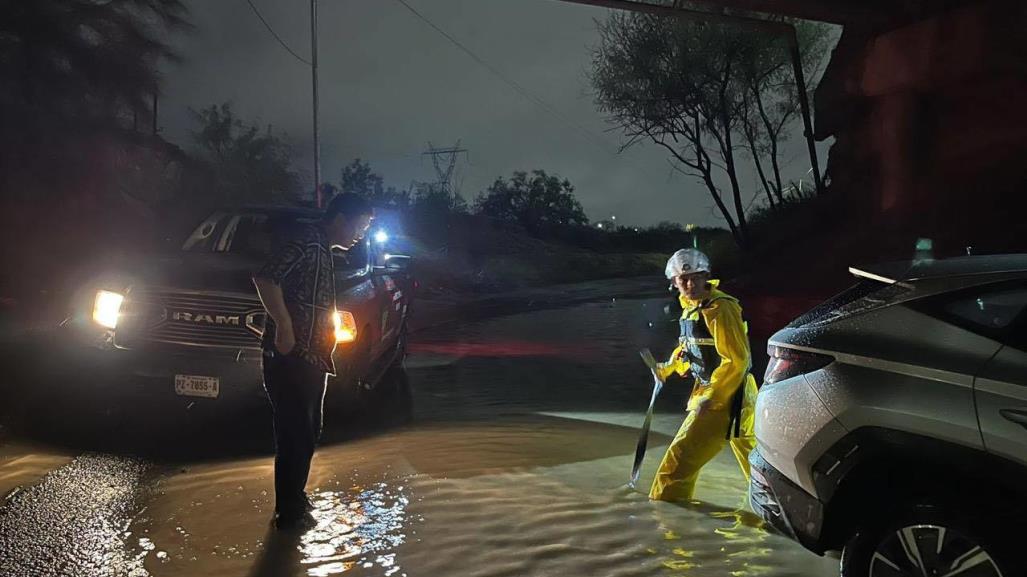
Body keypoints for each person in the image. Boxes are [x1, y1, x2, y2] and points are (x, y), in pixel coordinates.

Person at [252, 194, 373, 529]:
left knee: (306, 431)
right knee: (295, 433)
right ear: (340, 219)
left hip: (313, 357)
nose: (360, 235)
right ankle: (288, 514)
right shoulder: (307, 242)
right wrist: (284, 326)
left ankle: (294, 498)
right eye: (360, 226)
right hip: (294, 356)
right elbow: (265, 278)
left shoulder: (322, 247)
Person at [646, 248, 758, 504]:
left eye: (695, 277)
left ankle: (665, 522)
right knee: (758, 468)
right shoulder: (692, 309)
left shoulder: (721, 308)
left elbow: (736, 360)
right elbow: (690, 351)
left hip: (727, 398)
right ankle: (778, 517)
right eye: (682, 280)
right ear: (674, 283)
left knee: (675, 467)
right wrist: (667, 369)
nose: (689, 283)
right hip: (733, 398)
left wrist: (712, 397)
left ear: (706, 275)